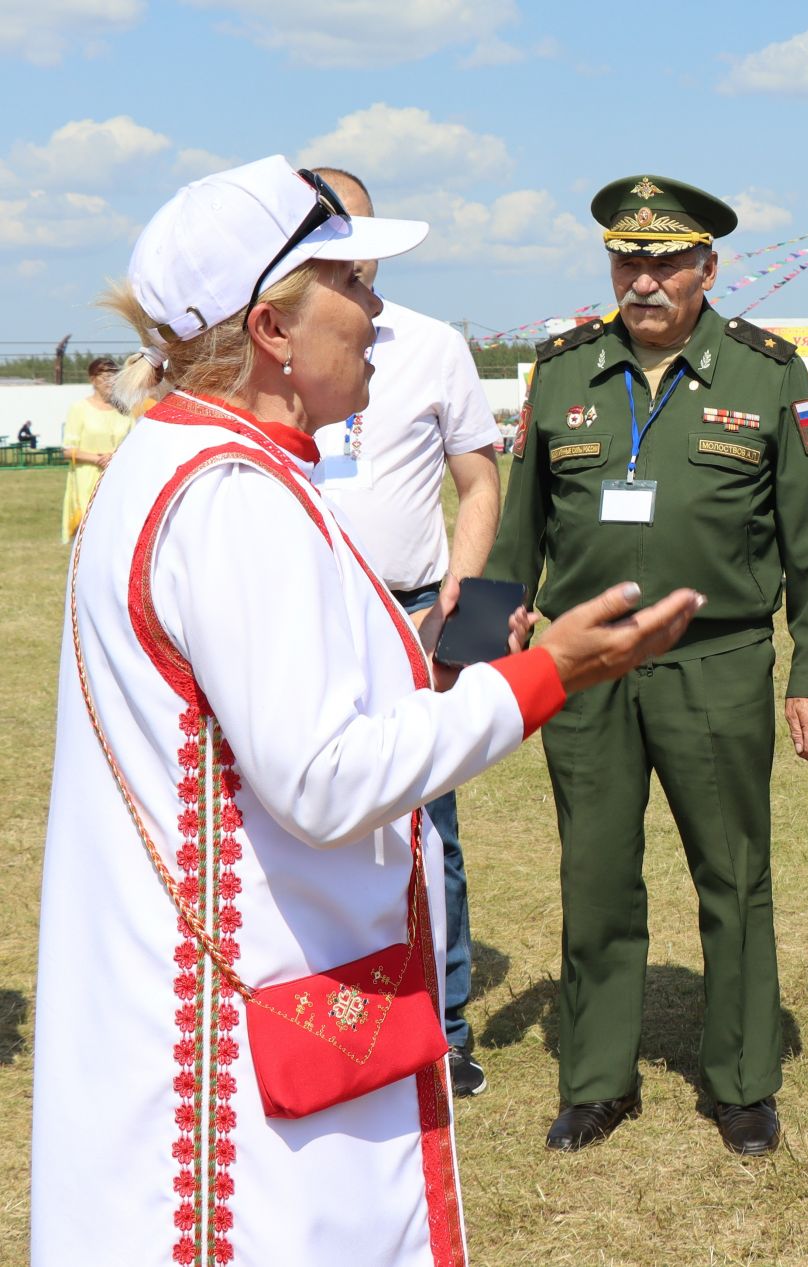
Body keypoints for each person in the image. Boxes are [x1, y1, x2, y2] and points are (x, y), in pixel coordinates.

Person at [30, 156, 700, 1266]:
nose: (380, 311)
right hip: (238, 1045)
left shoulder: (191, 459)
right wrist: (542, 679)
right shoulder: (234, 497)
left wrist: (431, 685)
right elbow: (324, 776)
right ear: (274, 328)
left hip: (217, 988)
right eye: (352, 280)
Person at [484, 173, 808, 1156]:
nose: (644, 281)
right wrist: (482, 659)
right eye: (627, 261)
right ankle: (598, 1079)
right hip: (585, 666)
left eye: (665, 262)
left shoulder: (766, 375)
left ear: (706, 269)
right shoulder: (560, 374)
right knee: (596, 872)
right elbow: (518, 533)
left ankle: (740, 1081)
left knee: (733, 874)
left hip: (715, 659)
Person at [307, 167, 502, 1099]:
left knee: (428, 826)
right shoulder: (272, 344)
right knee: (306, 818)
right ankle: (322, 1015)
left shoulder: (431, 345)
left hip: (412, 604)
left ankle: (446, 1028)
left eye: (360, 229)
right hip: (299, 607)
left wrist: (457, 593)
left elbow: (479, 479)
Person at [60, 355, 135, 541]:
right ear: (93, 380)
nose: (109, 382)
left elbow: (133, 445)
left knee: (112, 532)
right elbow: (68, 450)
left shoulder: (125, 411)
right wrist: (98, 458)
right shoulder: (79, 409)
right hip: (87, 479)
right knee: (87, 533)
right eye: (104, 377)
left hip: (116, 476)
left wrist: (115, 457)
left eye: (113, 377)